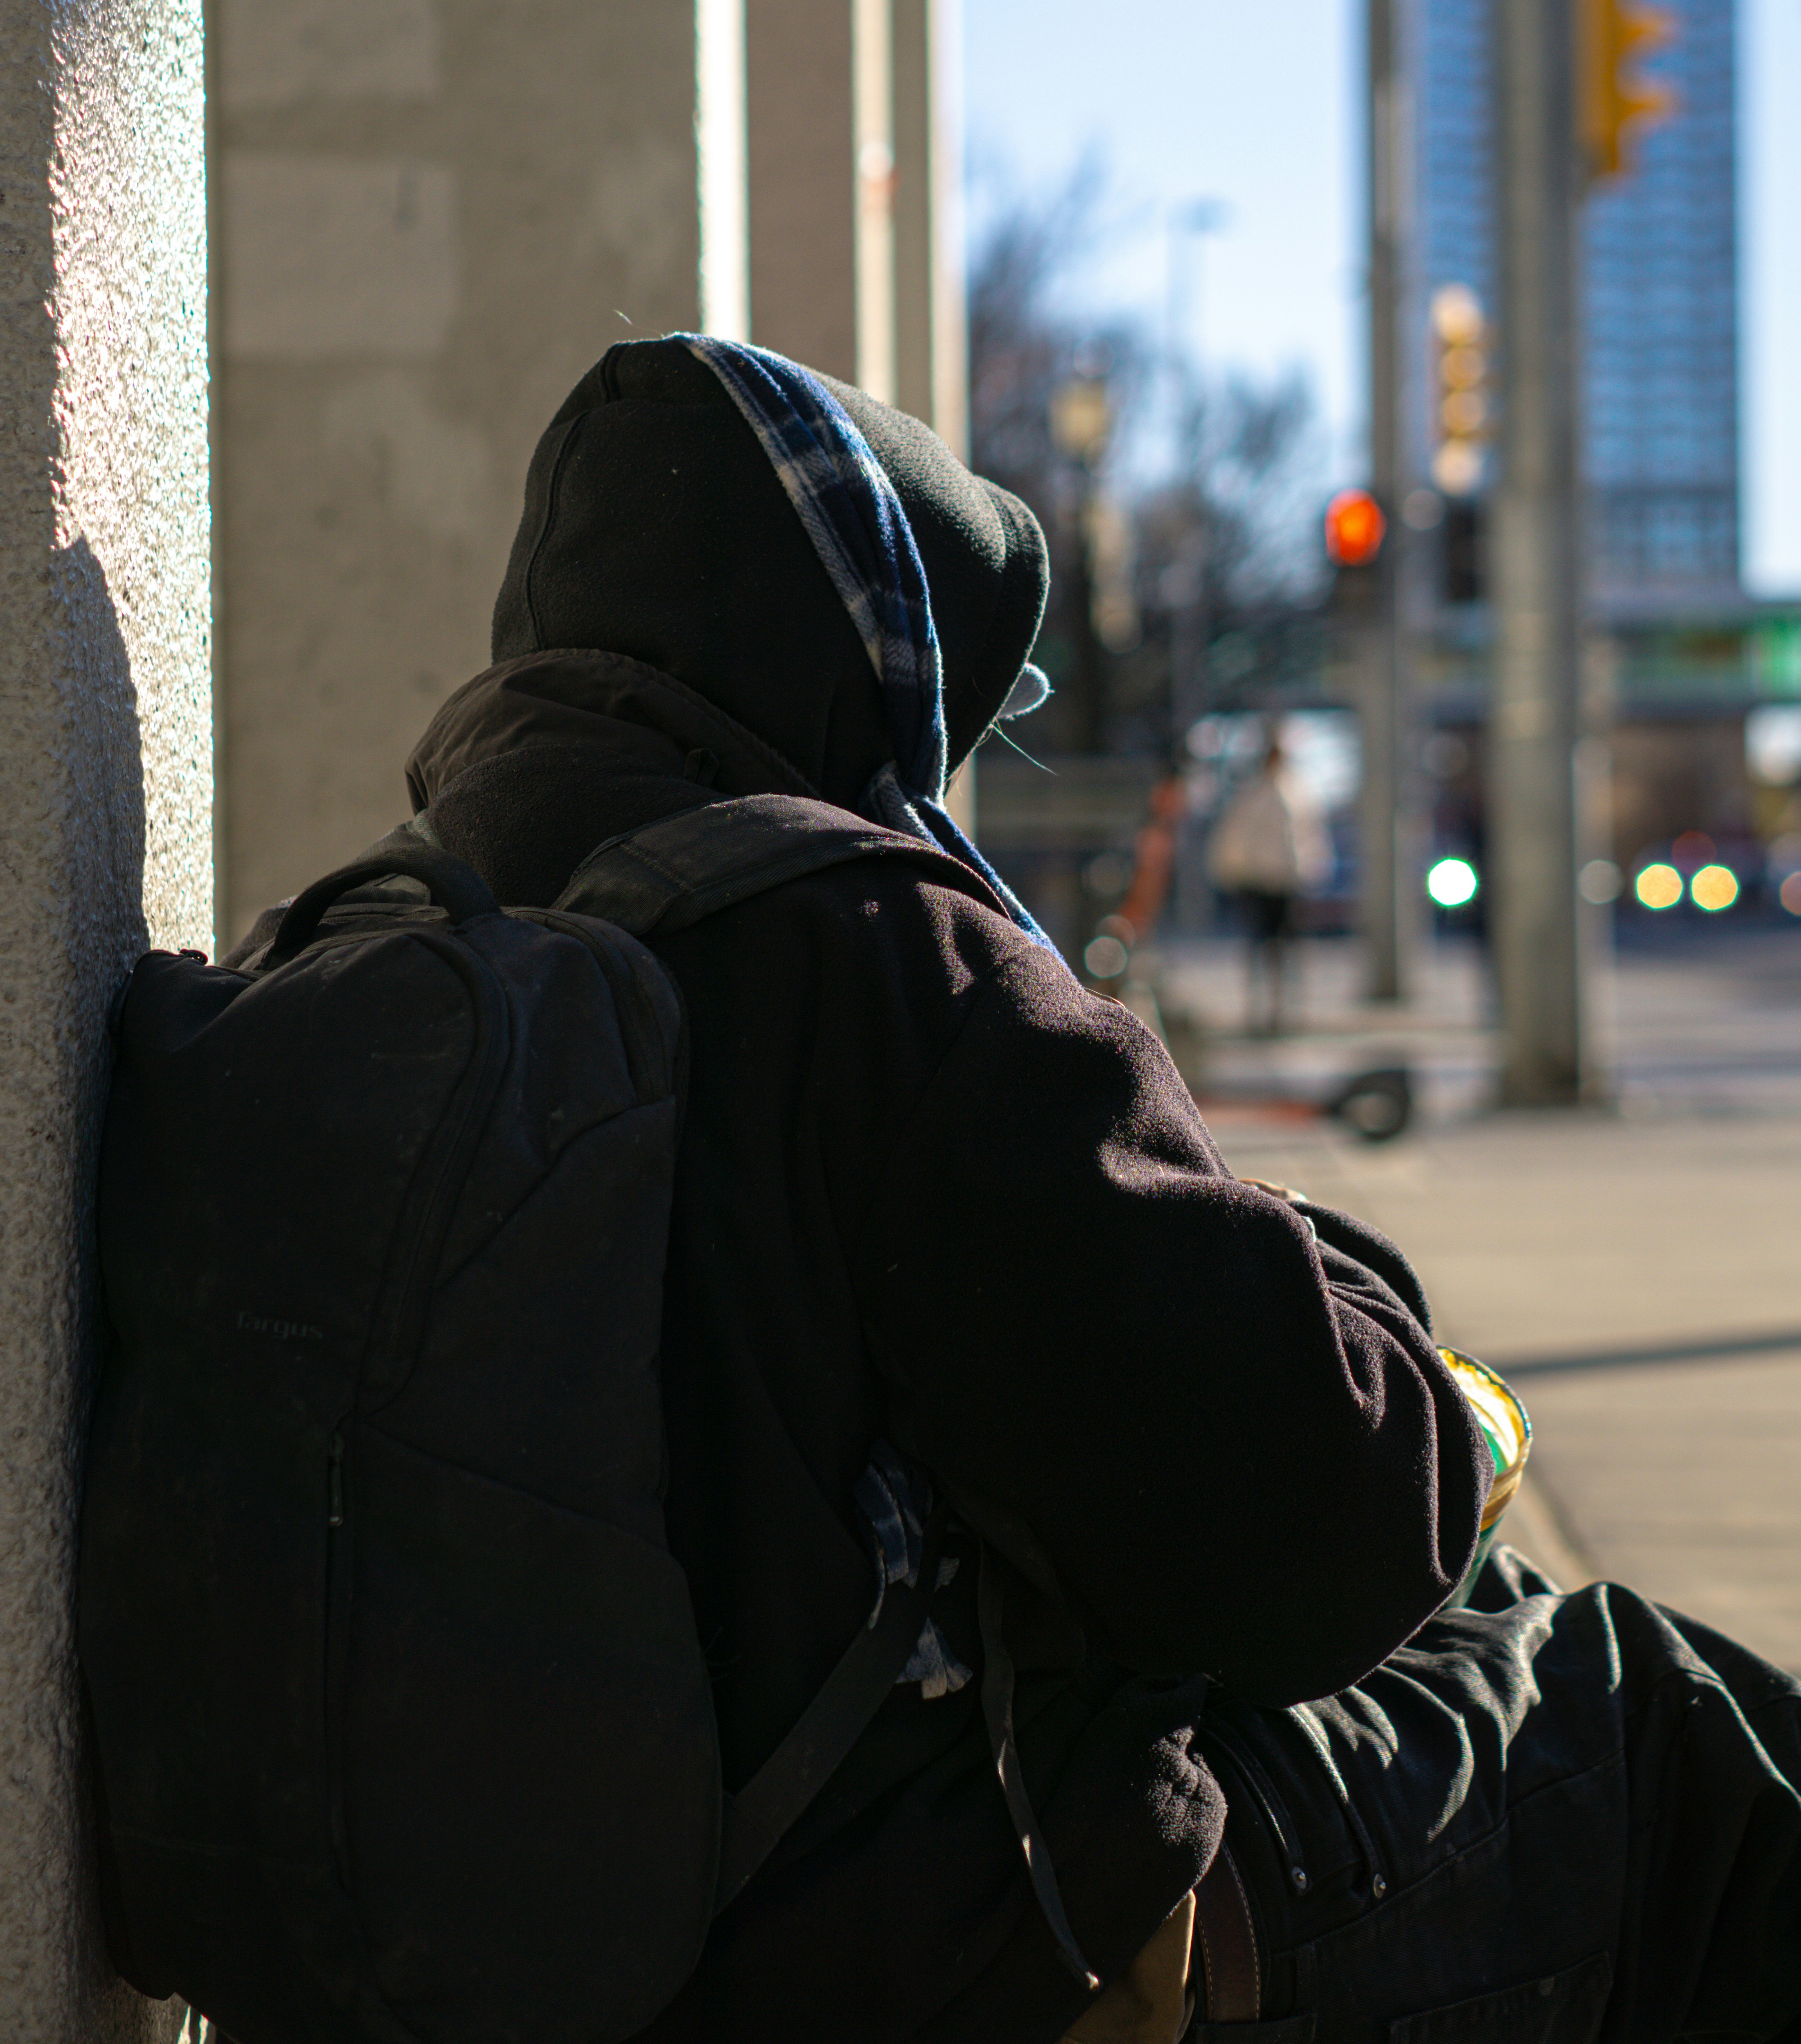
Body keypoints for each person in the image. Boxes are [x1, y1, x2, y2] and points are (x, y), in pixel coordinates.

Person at [308, 337, 1801, 2044]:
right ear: (868, 653)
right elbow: (1330, 1520)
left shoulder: (413, 940)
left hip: (513, 1950)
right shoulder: (859, 948)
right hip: (914, 1950)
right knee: (1644, 1725)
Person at [1206, 724, 1331, 1036]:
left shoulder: (1297, 792)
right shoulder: (1255, 794)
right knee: (1262, 948)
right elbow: (1235, 839)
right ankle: (1262, 1010)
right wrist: (1232, 871)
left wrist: (1312, 869)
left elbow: (1309, 837)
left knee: (1286, 950)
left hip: (1287, 882)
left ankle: (1285, 1011)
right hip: (1260, 881)